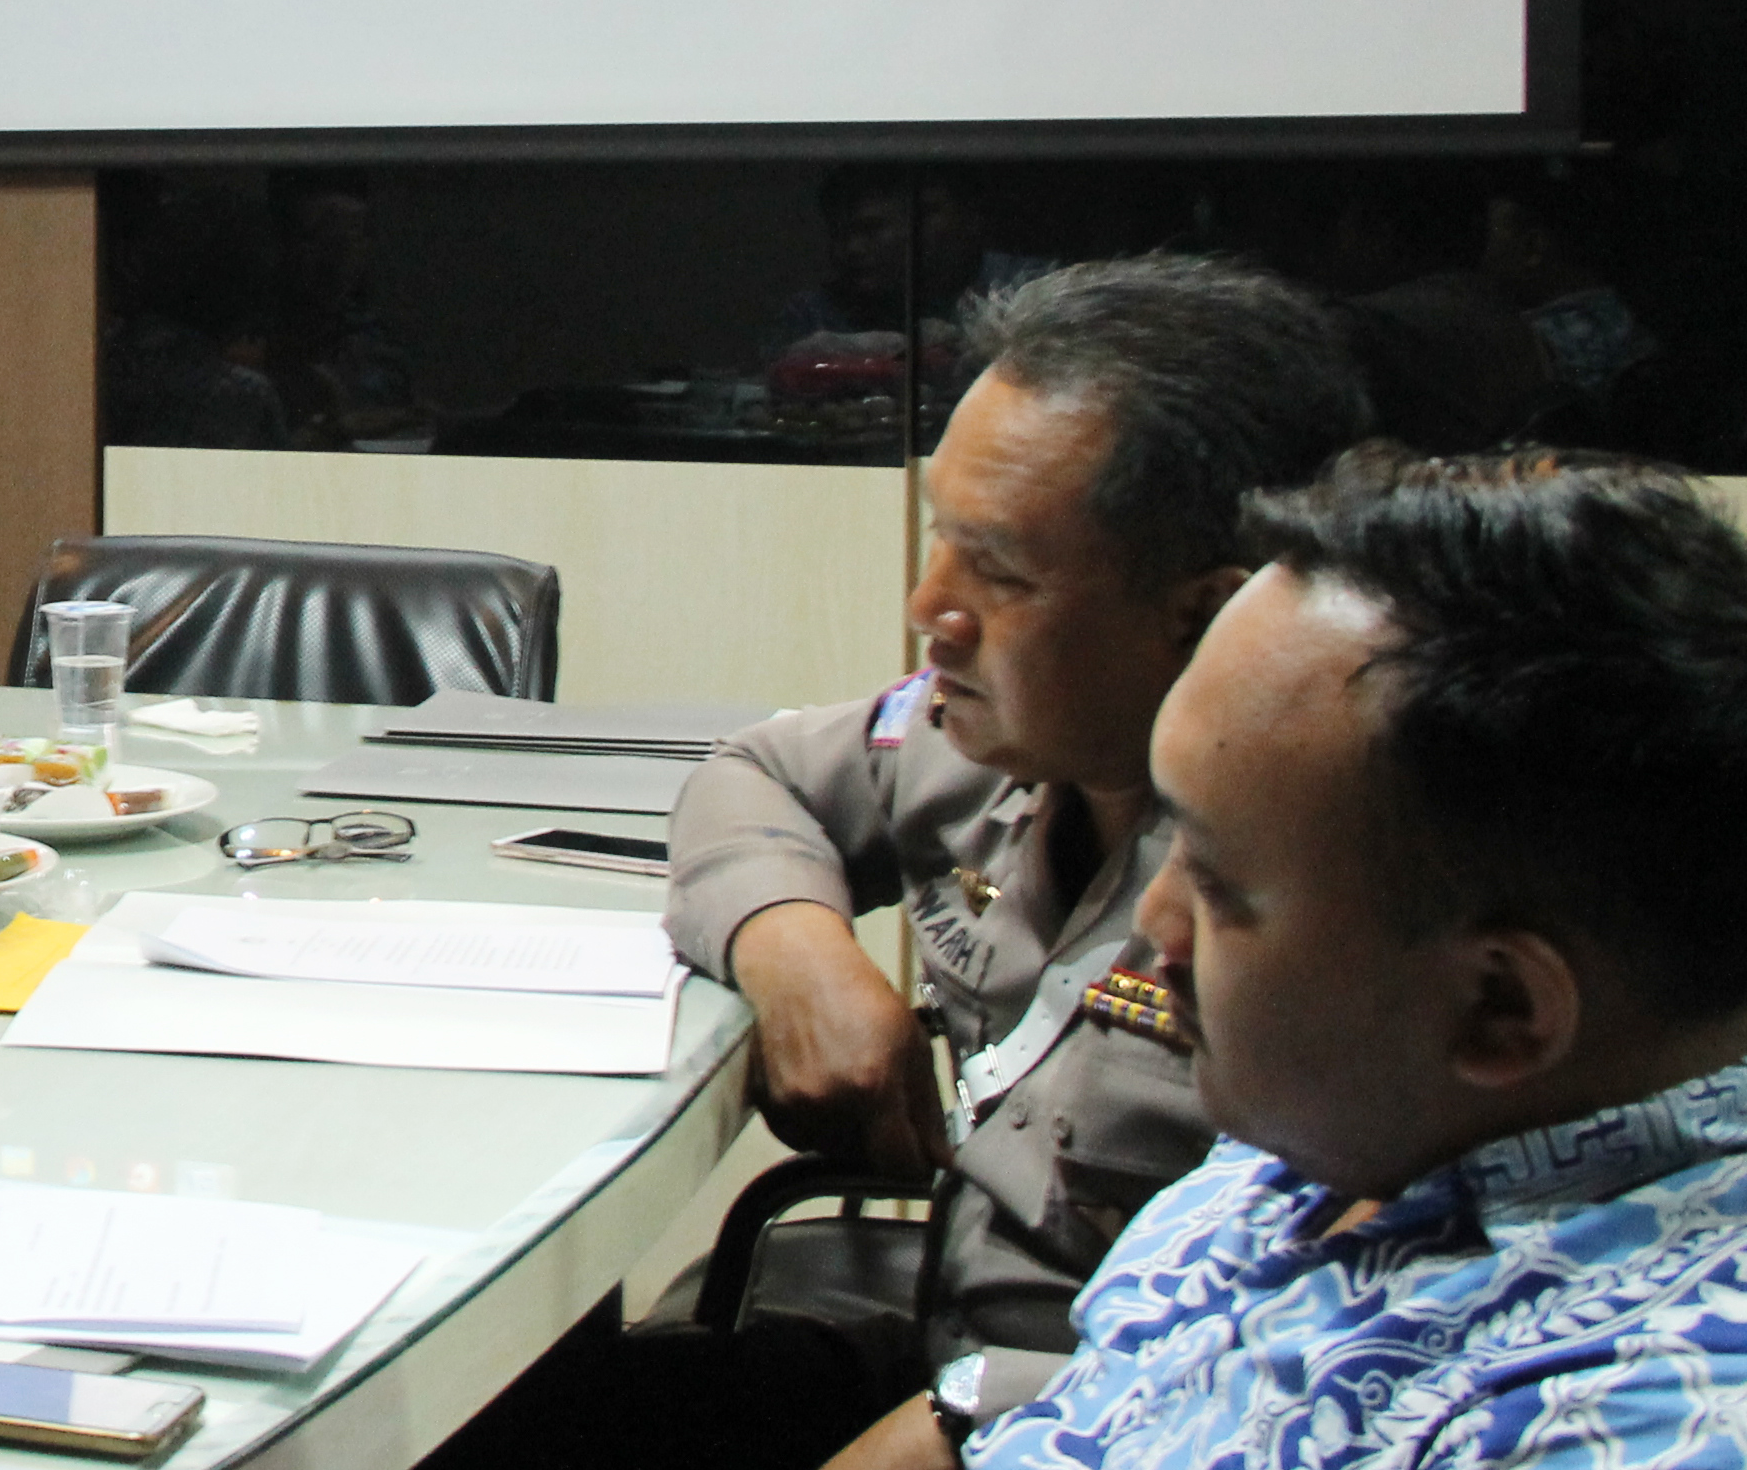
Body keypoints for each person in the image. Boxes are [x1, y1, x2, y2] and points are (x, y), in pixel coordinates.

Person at [438, 254, 1372, 1470]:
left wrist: (977, 1418)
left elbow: (1341, 1316)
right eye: (943, 540)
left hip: (1121, 1418)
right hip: (939, 1360)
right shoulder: (990, 734)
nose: (930, 604)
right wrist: (796, 950)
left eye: (1002, 571)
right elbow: (756, 776)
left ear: (1206, 612)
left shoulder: (1331, 885)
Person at [838, 449, 1747, 1468]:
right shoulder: (1351, 1119)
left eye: (1221, 885)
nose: (1156, 914)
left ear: (1499, 1006)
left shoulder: (1636, 1411)